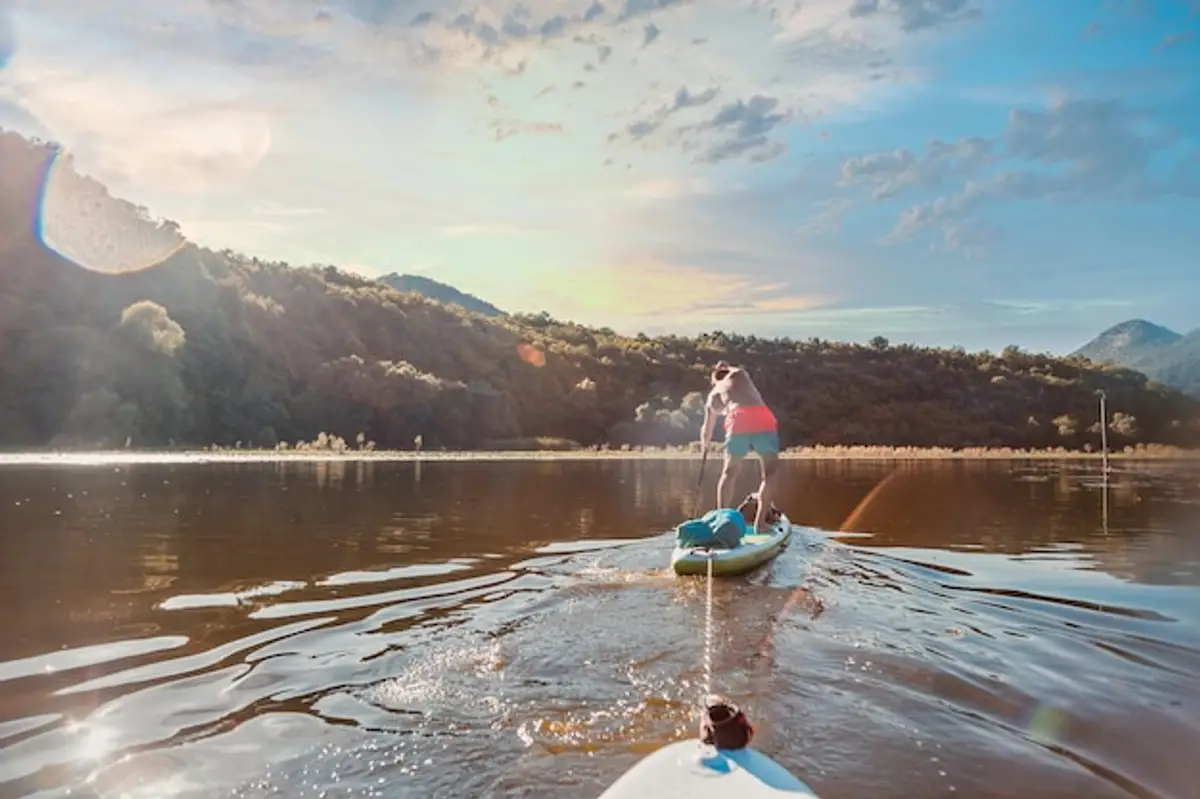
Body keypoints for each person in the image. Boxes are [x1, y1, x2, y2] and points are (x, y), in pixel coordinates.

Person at [700, 360, 780, 531]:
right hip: (762, 418)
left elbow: (706, 429)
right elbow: (732, 369)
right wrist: (724, 365)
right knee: (770, 473)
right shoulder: (738, 374)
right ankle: (760, 524)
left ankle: (722, 522)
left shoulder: (712, 397)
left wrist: (704, 446)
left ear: (714, 381)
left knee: (729, 472)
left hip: (737, 420)